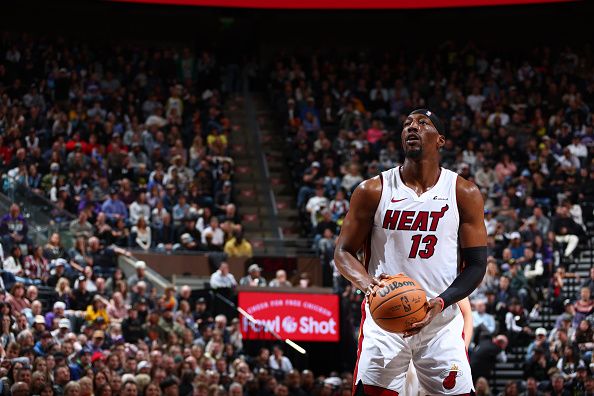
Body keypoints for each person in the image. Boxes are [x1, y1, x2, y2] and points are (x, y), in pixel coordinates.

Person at [334, 109, 488, 394]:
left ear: (440, 140)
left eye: (423, 123)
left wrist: (441, 302)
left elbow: (477, 265)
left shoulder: (463, 192)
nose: (412, 127)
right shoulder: (372, 190)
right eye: (407, 124)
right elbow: (343, 252)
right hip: (385, 321)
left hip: (440, 323)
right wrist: (370, 287)